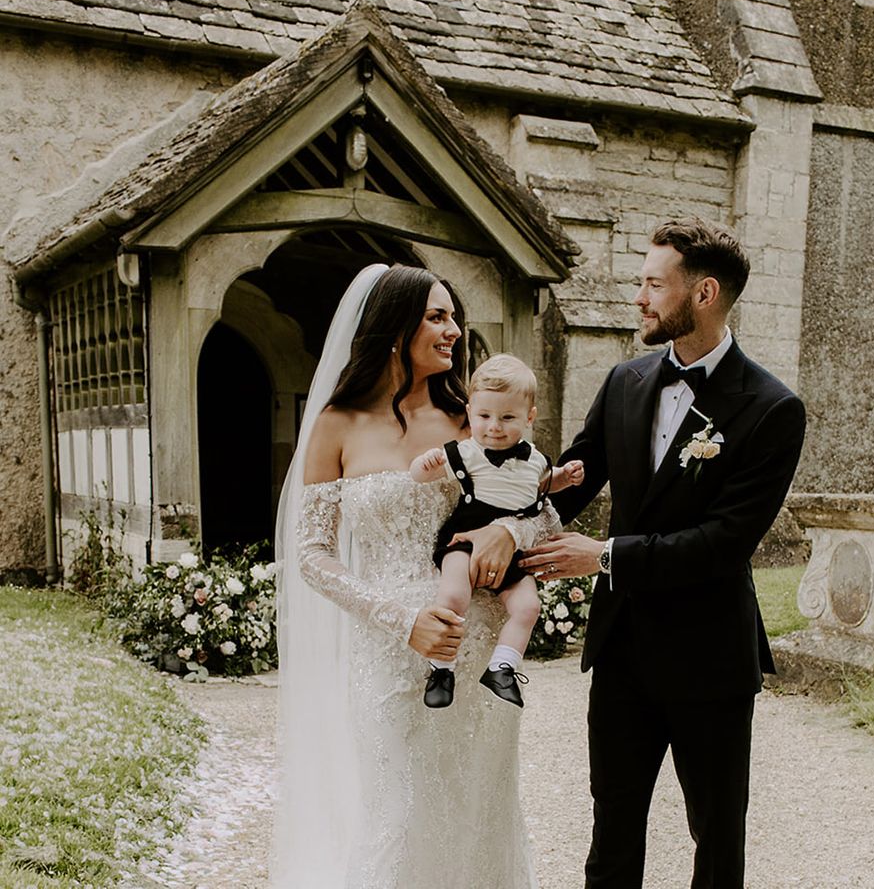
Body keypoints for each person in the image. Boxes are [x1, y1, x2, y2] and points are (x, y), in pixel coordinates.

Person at [519, 219, 807, 888]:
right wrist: (502, 519)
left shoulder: (772, 409)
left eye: (653, 284)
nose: (640, 298)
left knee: (716, 839)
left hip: (710, 658)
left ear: (703, 294)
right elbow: (572, 482)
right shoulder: (625, 380)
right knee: (612, 834)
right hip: (622, 651)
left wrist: (606, 556)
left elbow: (724, 543)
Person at [272, 263, 559, 889]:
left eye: (453, 316)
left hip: (477, 647)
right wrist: (402, 621)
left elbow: (540, 509)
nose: (454, 330)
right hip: (389, 651)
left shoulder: (472, 419)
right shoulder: (335, 424)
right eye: (437, 316)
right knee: (398, 812)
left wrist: (509, 533)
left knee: (479, 811)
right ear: (395, 328)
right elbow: (312, 554)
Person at [410, 353, 584, 709]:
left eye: (507, 418)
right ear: (470, 412)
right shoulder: (467, 452)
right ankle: (441, 669)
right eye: (484, 416)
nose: (494, 427)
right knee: (453, 596)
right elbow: (421, 476)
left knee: (528, 606)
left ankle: (502, 668)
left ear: (529, 417)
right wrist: (423, 465)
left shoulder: (535, 459)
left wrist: (564, 478)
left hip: (513, 549)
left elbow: (541, 485)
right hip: (465, 537)